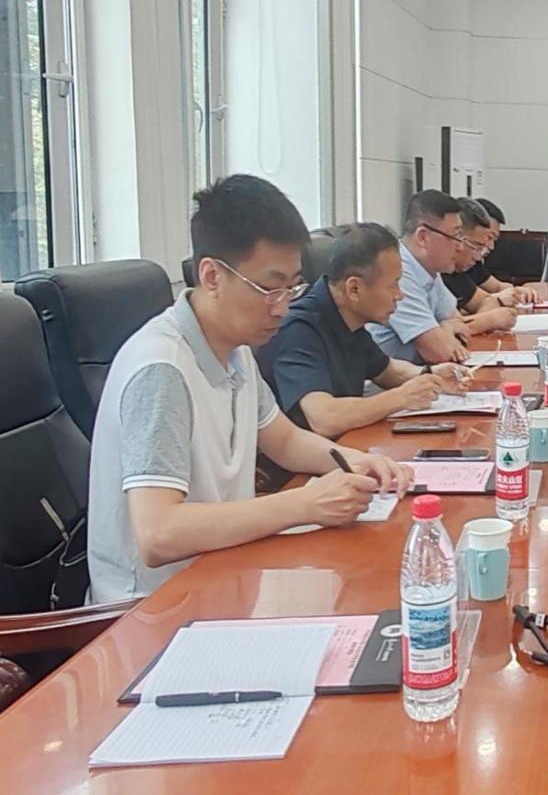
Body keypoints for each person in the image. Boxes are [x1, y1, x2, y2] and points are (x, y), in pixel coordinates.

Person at [87, 175, 412, 603]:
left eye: (292, 287)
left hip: (224, 573)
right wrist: (304, 504)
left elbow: (284, 440)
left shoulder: (236, 349)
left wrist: (354, 461)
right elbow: (158, 534)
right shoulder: (162, 369)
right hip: (152, 610)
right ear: (212, 276)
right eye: (270, 288)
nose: (283, 307)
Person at [257, 222, 471, 438]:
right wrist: (401, 397)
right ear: (354, 289)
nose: (400, 295)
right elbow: (323, 417)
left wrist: (432, 375)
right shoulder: (298, 330)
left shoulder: (351, 320)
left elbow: (387, 371)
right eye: (393, 285)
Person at [367, 190, 472, 363]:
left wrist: (444, 328)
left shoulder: (428, 268)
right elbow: (440, 353)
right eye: (455, 236)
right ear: (423, 237)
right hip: (388, 379)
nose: (460, 247)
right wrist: (446, 328)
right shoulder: (398, 272)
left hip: (419, 373)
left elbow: (459, 323)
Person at [441, 198, 521, 334]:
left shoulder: (452, 270)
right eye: (477, 246)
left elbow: (487, 301)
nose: (479, 256)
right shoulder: (422, 272)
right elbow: (441, 334)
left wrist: (478, 320)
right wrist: (488, 320)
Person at [470, 197, 540, 304]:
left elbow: (497, 286)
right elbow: (470, 306)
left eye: (494, 240)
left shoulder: (473, 263)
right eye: (489, 237)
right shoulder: (450, 269)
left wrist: (518, 291)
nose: (491, 246)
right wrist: (499, 298)